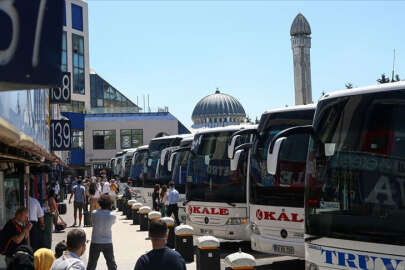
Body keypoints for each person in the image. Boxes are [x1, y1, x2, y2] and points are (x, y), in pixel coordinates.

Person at [86, 195, 117, 270]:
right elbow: (112, 223)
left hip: (95, 241)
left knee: (91, 264)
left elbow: (93, 222)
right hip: (108, 241)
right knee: (111, 264)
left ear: (100, 203)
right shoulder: (113, 215)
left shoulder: (94, 213)